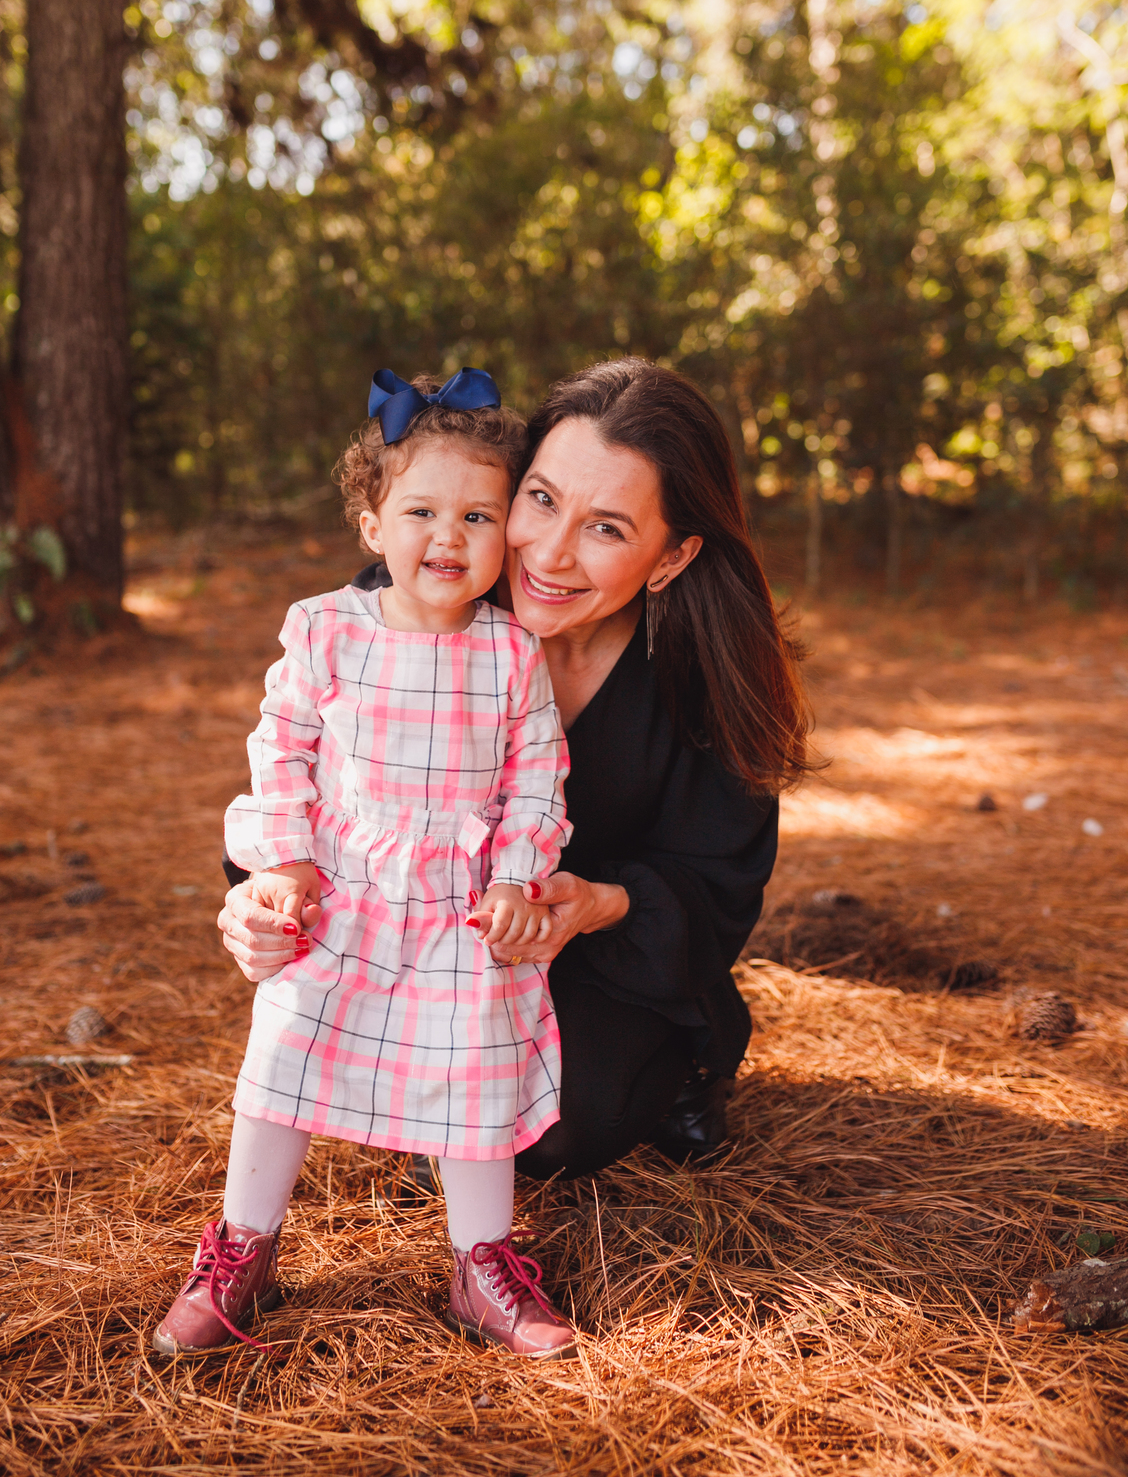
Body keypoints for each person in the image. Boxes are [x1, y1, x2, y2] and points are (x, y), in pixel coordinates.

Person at [219, 360, 811, 1199]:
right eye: (539, 500)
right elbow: (296, 768)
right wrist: (256, 893)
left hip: (601, 961)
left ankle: (684, 1072)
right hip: (421, 934)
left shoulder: (705, 678)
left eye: (606, 529)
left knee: (552, 1126)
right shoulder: (402, 607)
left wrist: (600, 903)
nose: (550, 552)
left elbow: (720, 882)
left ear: (672, 556)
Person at [154, 368, 580, 1362]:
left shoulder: (511, 653)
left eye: (479, 514)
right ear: (370, 524)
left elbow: (536, 778)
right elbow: (284, 747)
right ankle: (241, 1249)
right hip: (342, 904)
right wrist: (283, 863)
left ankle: (482, 1263)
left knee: (474, 1081)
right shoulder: (325, 630)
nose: (449, 535)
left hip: (459, 911)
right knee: (281, 1069)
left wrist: (516, 879)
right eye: (422, 510)